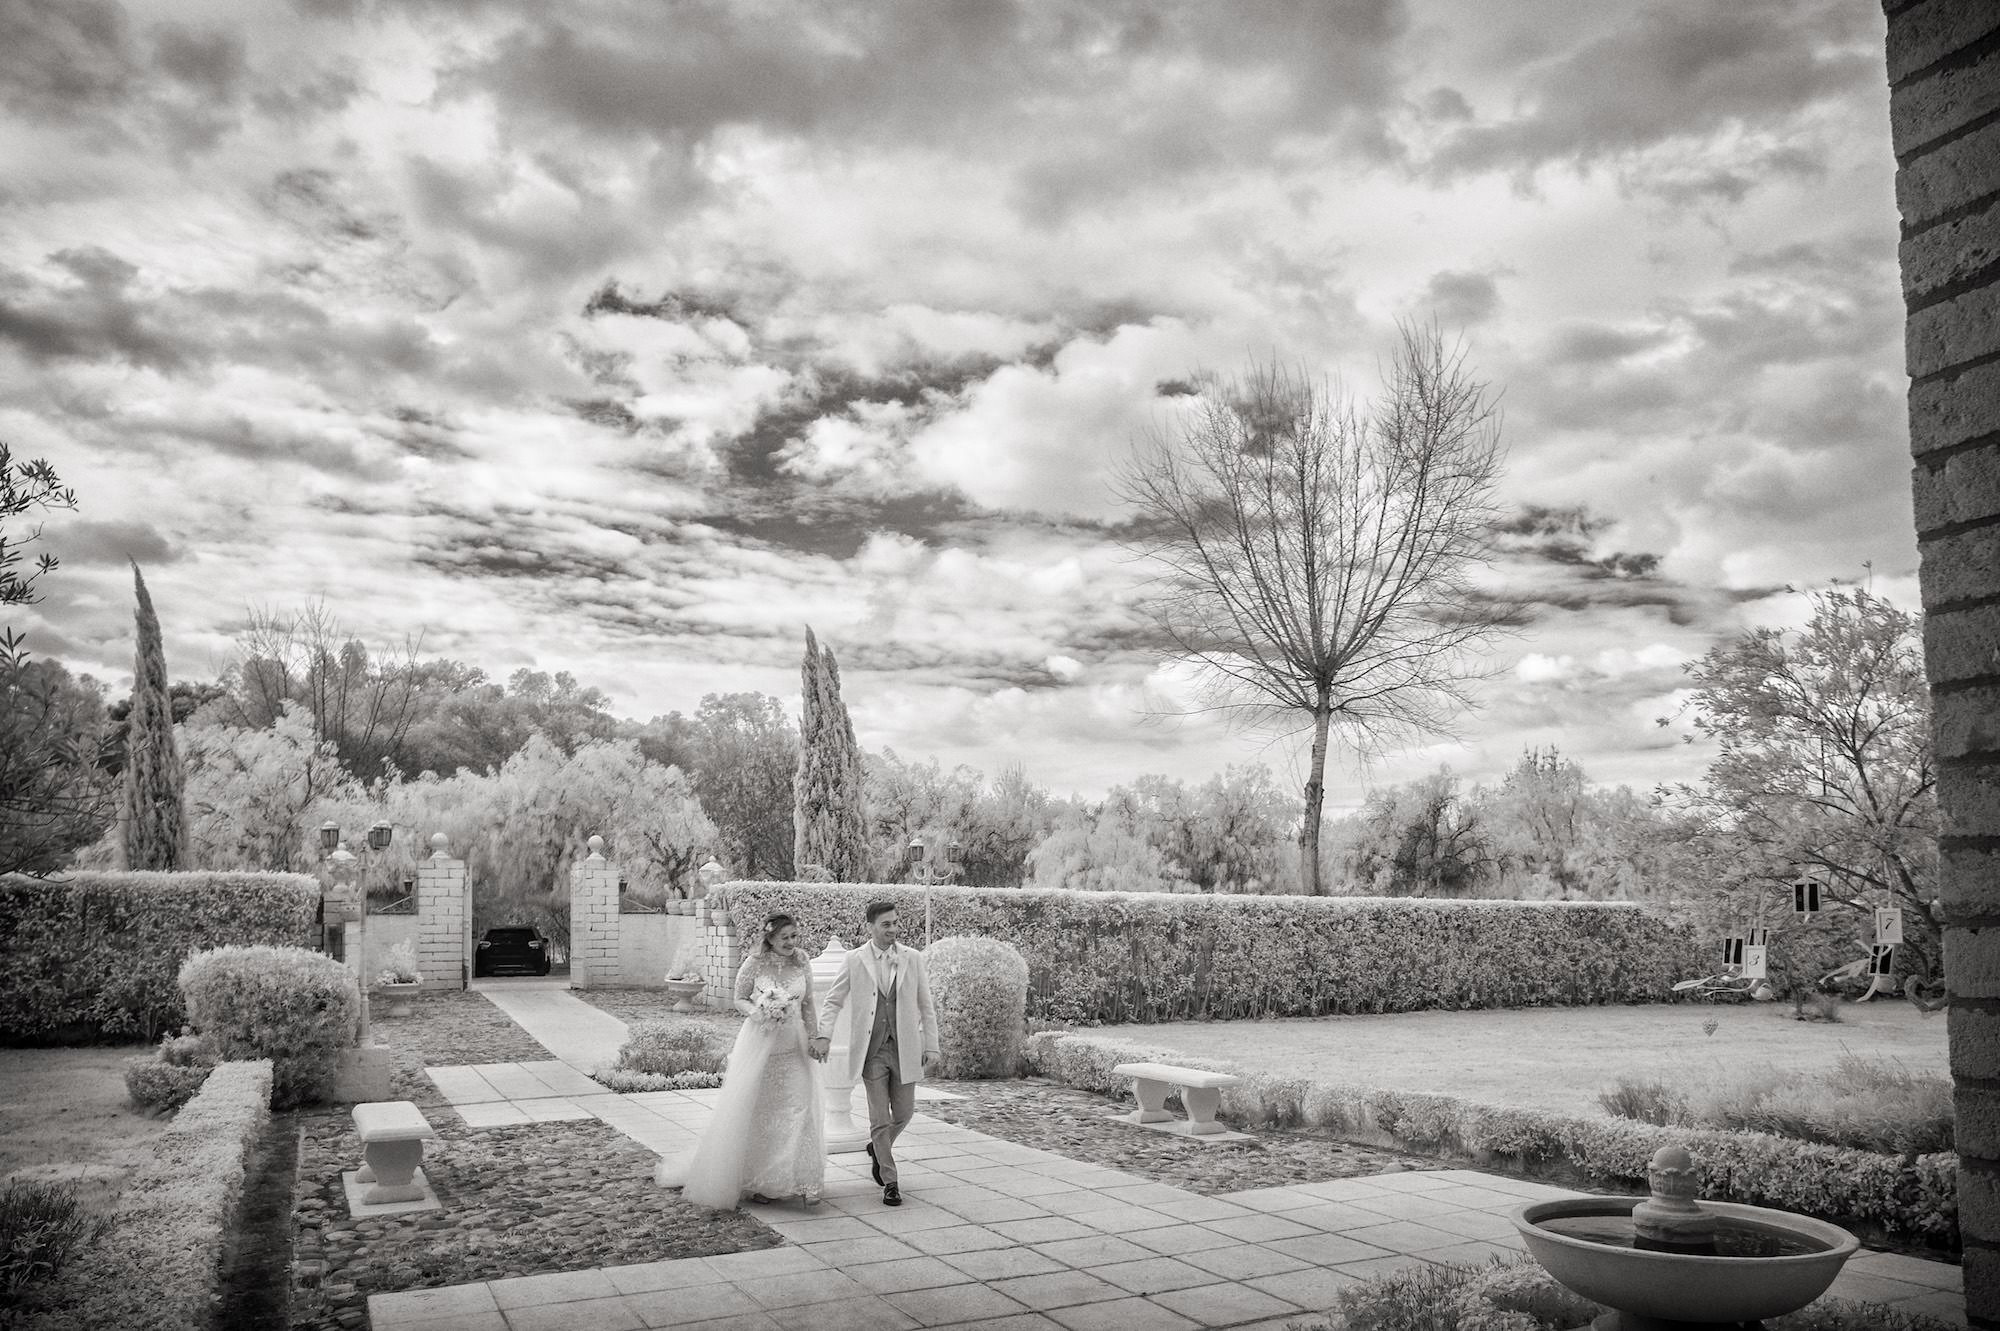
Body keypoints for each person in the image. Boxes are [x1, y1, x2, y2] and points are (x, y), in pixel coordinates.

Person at [660, 913, 826, 1209]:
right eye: (785, 937)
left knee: (800, 1107)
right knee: (762, 1113)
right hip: (761, 1043)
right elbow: (739, 997)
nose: (791, 942)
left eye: (794, 936)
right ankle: (761, 1181)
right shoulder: (754, 963)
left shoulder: (801, 960)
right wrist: (760, 1011)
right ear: (770, 938)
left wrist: (815, 1036)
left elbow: (809, 1001)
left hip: (795, 1046)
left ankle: (797, 1178)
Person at [812, 902, 939, 1207]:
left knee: (905, 1112)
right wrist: (824, 1035)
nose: (893, 929)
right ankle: (891, 1181)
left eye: (896, 923)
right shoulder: (854, 960)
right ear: (870, 926)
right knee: (880, 1117)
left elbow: (926, 1005)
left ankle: (877, 1147)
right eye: (886, 924)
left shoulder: (912, 958)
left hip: (904, 1048)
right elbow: (832, 1002)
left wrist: (931, 1045)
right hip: (872, 1052)